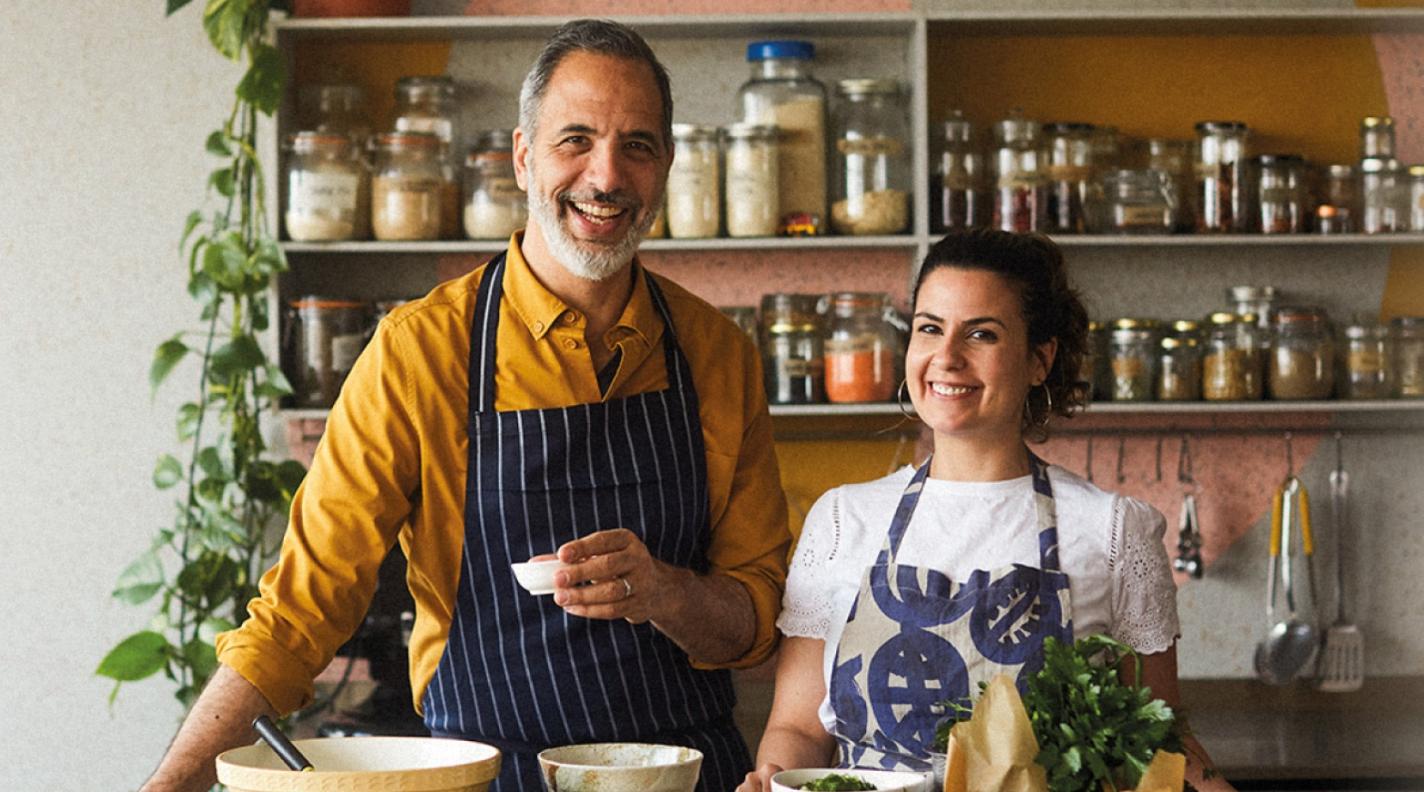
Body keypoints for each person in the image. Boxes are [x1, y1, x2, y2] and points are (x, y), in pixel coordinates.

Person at [141, 19, 792, 792]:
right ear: (523, 157)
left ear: (667, 166)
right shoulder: (421, 352)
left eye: (638, 145)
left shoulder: (718, 354)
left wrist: (666, 592)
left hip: (684, 776)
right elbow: (297, 615)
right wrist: (171, 784)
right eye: (574, 140)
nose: (607, 176)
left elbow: (754, 621)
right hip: (487, 775)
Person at [737, 229, 1232, 792]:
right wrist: (772, 777)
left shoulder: (1111, 530)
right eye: (929, 328)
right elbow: (799, 727)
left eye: (981, 334)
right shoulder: (844, 519)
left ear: (1039, 360)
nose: (946, 358)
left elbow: (1157, 736)